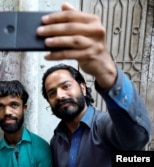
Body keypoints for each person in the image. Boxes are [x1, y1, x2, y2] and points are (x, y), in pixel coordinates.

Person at [37, 2, 152, 167]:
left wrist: (107, 72)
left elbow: (136, 139)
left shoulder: (104, 125)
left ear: (82, 87)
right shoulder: (57, 140)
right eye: (52, 93)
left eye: (66, 86)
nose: (60, 95)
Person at [0, 80, 52, 167]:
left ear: (24, 108)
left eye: (14, 105)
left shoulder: (41, 148)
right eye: (0, 106)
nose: (7, 112)